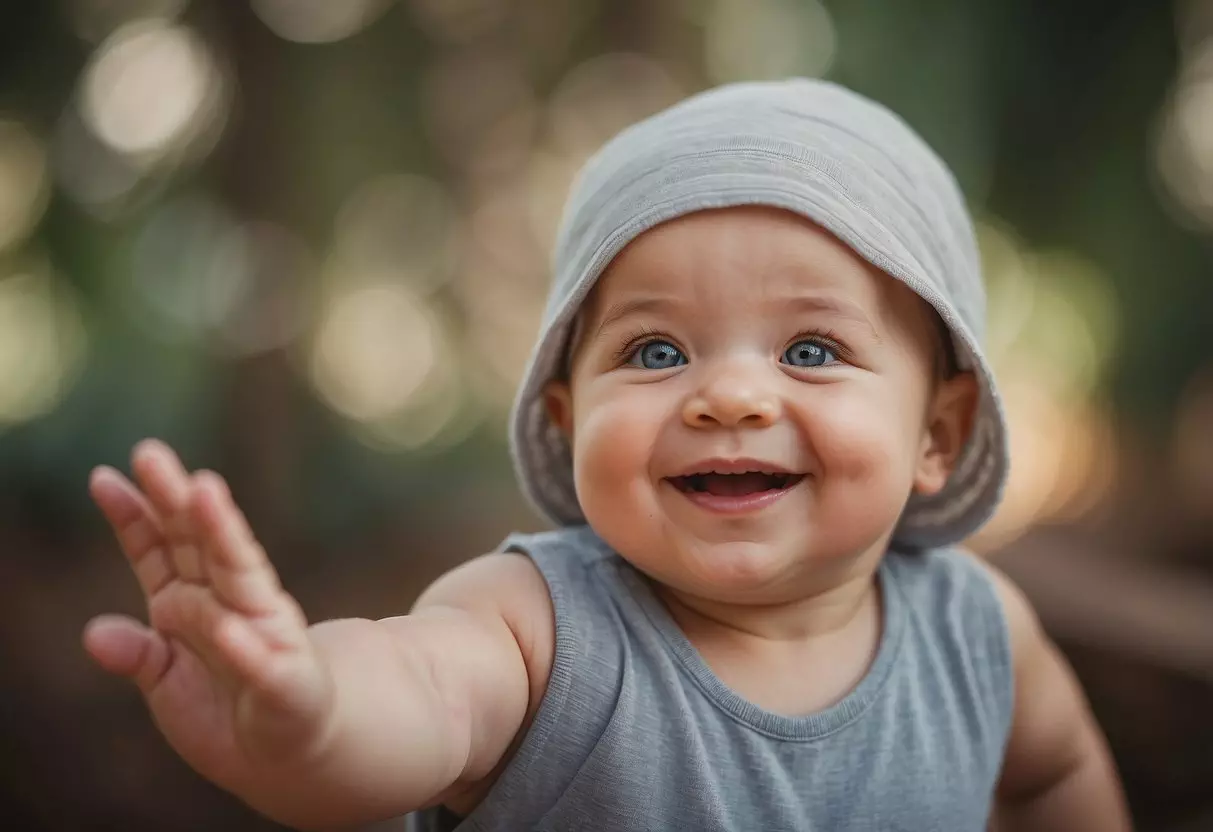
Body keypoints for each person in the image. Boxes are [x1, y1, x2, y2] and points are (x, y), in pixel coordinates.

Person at [82, 79, 1131, 831]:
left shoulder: (973, 632)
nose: (727, 393)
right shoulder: (538, 628)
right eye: (656, 349)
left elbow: (1052, 772)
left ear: (936, 435)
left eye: (810, 349)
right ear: (568, 412)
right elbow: (421, 690)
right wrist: (310, 713)